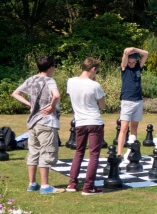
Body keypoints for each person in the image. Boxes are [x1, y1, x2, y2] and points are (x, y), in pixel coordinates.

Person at [11, 56, 62, 193]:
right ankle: (45, 186)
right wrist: (52, 107)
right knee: (47, 152)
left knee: (33, 152)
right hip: (46, 122)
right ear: (51, 67)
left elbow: (15, 93)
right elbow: (56, 95)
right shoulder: (49, 80)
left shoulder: (31, 79)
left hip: (33, 122)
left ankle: (32, 183)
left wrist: (31, 105)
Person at [66, 57, 106, 195]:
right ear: (93, 69)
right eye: (96, 71)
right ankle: (88, 187)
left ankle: (72, 184)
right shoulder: (95, 85)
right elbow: (102, 105)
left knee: (79, 152)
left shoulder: (70, 82)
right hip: (94, 121)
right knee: (94, 155)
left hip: (80, 121)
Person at [118, 47, 149, 147]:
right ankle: (119, 153)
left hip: (138, 100)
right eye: (129, 62)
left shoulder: (138, 67)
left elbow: (146, 54)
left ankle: (133, 151)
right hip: (127, 100)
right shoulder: (124, 68)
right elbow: (125, 54)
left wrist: (134, 49)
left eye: (133, 62)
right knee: (124, 128)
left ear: (136, 61)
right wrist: (128, 51)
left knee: (134, 127)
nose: (131, 64)